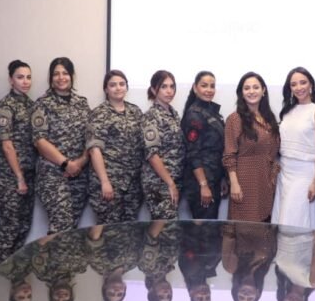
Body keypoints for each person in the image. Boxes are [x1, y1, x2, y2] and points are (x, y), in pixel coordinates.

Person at [31, 57, 90, 234]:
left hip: (79, 174)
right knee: (61, 223)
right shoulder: (42, 104)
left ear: (72, 76)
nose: (61, 77)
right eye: (56, 74)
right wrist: (66, 164)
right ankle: (53, 255)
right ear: (51, 77)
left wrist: (80, 162)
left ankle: (64, 255)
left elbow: (91, 138)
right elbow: (40, 141)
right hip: (52, 173)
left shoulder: (82, 103)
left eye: (65, 73)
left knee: (71, 229)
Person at [272, 67, 315, 230]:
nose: (299, 88)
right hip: (284, 173)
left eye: (303, 82)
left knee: (297, 224)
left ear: (311, 84)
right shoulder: (287, 111)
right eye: (294, 84)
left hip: (305, 175)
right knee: (281, 221)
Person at [0, 60, 37, 261]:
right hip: (10, 176)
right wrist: (19, 177)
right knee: (9, 225)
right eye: (20, 77)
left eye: (28, 77)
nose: (25, 81)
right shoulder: (6, 106)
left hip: (29, 173)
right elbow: (7, 145)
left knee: (24, 224)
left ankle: (15, 269)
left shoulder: (32, 105)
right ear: (11, 80)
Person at [87, 70, 144, 223]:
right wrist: (105, 182)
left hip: (132, 185)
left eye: (122, 84)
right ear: (106, 89)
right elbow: (94, 150)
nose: (118, 88)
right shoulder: (99, 113)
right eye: (113, 85)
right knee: (109, 232)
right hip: (110, 183)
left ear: (127, 87)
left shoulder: (135, 111)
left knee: (130, 230)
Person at [224, 72, 280, 223]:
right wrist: (234, 184)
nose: (251, 91)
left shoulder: (269, 118)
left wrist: (272, 178)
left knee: (264, 226)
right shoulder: (234, 119)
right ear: (241, 93)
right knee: (244, 228)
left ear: (263, 90)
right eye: (247, 88)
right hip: (244, 183)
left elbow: (273, 151)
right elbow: (229, 155)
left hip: (265, 182)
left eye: (256, 87)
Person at [181, 71, 226, 219]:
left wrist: (222, 178)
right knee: (203, 229)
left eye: (212, 86)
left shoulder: (211, 112)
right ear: (195, 88)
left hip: (213, 179)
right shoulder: (194, 115)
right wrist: (203, 185)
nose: (209, 90)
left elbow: (218, 149)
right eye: (204, 85)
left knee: (210, 227)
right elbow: (193, 153)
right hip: (200, 183)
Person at [141, 70, 185, 220]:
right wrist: (170, 183)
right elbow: (152, 155)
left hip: (173, 179)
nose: (169, 91)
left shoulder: (173, 113)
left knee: (163, 229)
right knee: (167, 228)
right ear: (154, 90)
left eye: (172, 86)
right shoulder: (151, 116)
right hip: (159, 183)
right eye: (164, 87)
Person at [222, 222, 277, 301]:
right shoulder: (263, 269)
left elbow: (228, 232)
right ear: (257, 293)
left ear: (236, 290)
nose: (246, 295)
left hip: (246, 218)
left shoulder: (230, 267)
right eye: (250, 298)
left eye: (241, 297)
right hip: (269, 220)